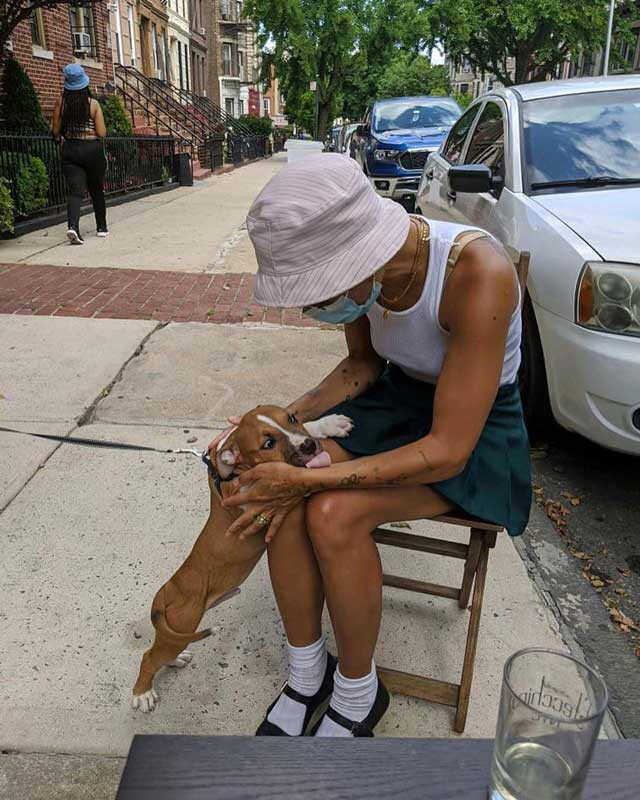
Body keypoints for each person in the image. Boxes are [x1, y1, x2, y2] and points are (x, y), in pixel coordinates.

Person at [212, 153, 532, 738]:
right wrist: (278, 421)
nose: (313, 309)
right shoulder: (372, 276)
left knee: (329, 511)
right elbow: (362, 366)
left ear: (359, 253)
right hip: (398, 402)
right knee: (276, 493)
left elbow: (448, 450)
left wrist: (310, 479)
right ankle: (307, 673)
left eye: (317, 292)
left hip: (472, 434)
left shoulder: (475, 273)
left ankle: (359, 691)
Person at [52, 64, 108, 245]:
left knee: (75, 191)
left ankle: (73, 227)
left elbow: (55, 130)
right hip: (91, 149)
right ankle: (101, 227)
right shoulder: (93, 104)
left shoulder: (61, 102)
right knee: (96, 189)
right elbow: (101, 132)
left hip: (70, 149)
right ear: (84, 83)